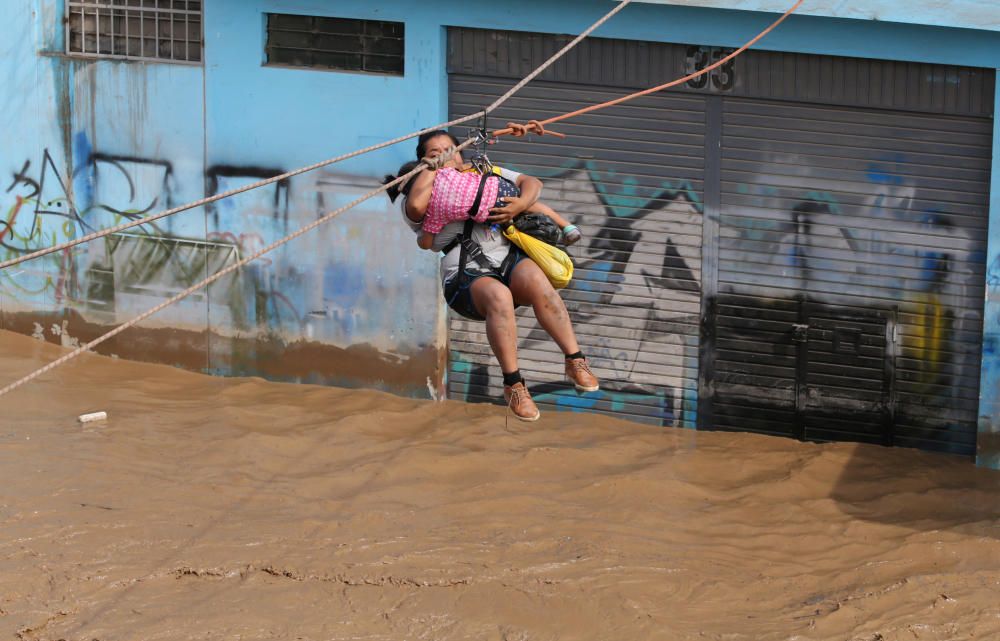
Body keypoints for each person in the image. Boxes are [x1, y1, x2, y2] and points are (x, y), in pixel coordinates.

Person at [384, 130, 598, 422]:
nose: (446, 155)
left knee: (539, 282)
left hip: (506, 256)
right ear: (422, 161)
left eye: (451, 149)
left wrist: (521, 204)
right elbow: (417, 208)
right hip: (465, 275)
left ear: (461, 153)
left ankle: (575, 360)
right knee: (500, 296)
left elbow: (530, 184)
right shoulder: (418, 192)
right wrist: (432, 170)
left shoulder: (482, 172)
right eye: (435, 153)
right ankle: (514, 384)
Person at [387, 160, 581, 250]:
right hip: (499, 188)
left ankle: (555, 237)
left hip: (490, 213)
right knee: (528, 203)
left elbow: (428, 243)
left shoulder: (433, 213)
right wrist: (521, 203)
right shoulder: (449, 171)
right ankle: (567, 226)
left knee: (524, 211)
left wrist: (519, 206)